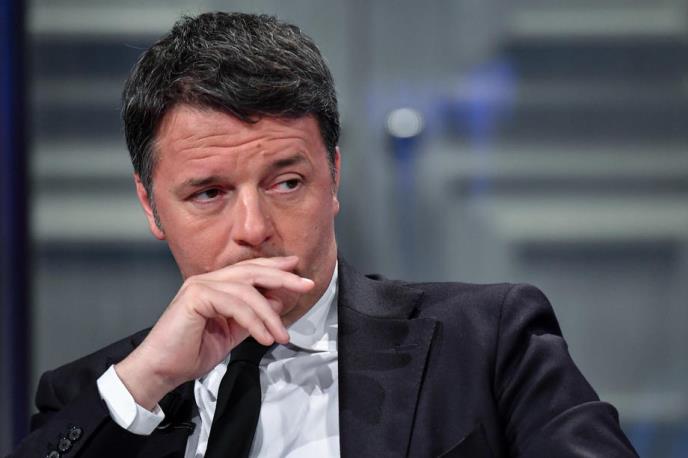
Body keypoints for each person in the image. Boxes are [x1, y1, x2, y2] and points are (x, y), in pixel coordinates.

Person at [9, 11, 638, 458]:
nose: (253, 229)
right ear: (150, 206)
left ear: (333, 176)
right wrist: (143, 382)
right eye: (209, 194)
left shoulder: (486, 341)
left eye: (286, 183)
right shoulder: (99, 394)